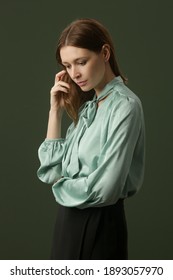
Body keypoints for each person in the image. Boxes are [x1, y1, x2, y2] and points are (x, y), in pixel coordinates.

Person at [37, 18, 145, 260]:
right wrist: (55, 112)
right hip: (67, 224)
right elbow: (52, 171)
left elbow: (106, 189)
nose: (74, 74)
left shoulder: (125, 106)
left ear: (105, 53)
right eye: (67, 66)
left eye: (81, 62)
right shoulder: (87, 108)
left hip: (102, 225)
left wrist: (62, 186)